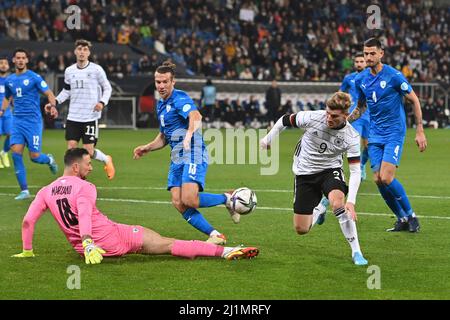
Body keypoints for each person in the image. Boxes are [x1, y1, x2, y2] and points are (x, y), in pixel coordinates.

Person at [11, 148, 259, 264]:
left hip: (88, 250)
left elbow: (27, 221)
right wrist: (89, 241)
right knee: (168, 244)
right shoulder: (84, 187)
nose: (91, 167)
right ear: (76, 167)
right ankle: (224, 251)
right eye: (88, 163)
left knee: (160, 242)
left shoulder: (46, 191)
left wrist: (27, 251)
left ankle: (213, 244)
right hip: (108, 239)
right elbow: (84, 213)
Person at [133, 61, 241, 246]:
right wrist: (147, 147)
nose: (161, 86)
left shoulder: (179, 98)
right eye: (158, 82)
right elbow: (164, 136)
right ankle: (215, 234)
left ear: (173, 82)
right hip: (176, 156)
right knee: (178, 202)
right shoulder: (160, 105)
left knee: (189, 199)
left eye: (165, 81)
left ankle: (227, 199)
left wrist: (189, 134)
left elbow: (196, 116)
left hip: (192, 151)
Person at [260, 92, 368, 266]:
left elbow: (355, 171)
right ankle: (319, 210)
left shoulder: (352, 137)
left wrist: (352, 201)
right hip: (304, 173)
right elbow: (284, 120)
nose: (328, 118)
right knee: (301, 229)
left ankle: (356, 252)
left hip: (330, 170)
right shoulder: (311, 117)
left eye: (334, 116)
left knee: (338, 203)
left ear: (345, 116)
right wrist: (267, 140)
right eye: (327, 113)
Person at [348, 38, 427, 232]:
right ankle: (401, 219)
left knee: (387, 177)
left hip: (394, 132)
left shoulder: (394, 76)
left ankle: (411, 216)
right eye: (365, 53)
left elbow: (414, 100)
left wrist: (419, 129)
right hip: (375, 134)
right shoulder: (361, 80)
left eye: (372, 53)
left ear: (381, 53)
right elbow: (361, 106)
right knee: (377, 179)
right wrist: (346, 121)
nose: (368, 57)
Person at [47, 39, 115, 180]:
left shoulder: (96, 69)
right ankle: (75, 180)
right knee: (71, 150)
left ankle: (106, 159)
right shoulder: (69, 71)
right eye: (79, 49)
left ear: (89, 52)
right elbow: (66, 91)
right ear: (75, 51)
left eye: (85, 49)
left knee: (88, 151)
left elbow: (107, 87)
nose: (82, 52)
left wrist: (102, 102)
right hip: (73, 116)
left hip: (90, 117)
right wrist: (55, 102)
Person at [314, 53, 369, 221]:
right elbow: (340, 95)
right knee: (351, 158)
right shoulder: (350, 78)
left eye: (362, 61)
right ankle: (324, 203)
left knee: (368, 149)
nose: (359, 63)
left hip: (372, 120)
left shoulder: (373, 78)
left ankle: (361, 166)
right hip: (355, 119)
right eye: (357, 61)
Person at [0, 48, 58, 200]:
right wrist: (2, 111)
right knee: (16, 154)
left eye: (23, 58)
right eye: (17, 57)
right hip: (17, 121)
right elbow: (7, 97)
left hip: (33, 122)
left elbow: (49, 93)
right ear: (14, 60)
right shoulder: (9, 80)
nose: (20, 60)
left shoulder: (34, 77)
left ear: (26, 60)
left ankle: (49, 159)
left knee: (35, 156)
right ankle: (24, 190)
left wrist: (52, 106)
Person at [0, 57, 12, 169]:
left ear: (8, 66)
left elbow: (12, 97)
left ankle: (4, 153)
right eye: (1, 63)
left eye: (5, 63)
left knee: (10, 134)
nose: (3, 65)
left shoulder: (10, 80)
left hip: (7, 112)